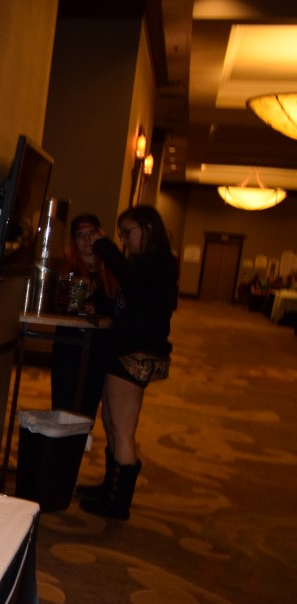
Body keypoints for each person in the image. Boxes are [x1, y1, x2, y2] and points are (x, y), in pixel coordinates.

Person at [78, 205, 179, 520]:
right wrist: (98, 302)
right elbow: (130, 303)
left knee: (122, 429)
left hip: (138, 352)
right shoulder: (145, 263)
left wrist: (104, 246)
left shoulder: (160, 261)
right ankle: (110, 488)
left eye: (127, 233)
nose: (123, 240)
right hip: (127, 348)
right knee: (110, 420)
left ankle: (117, 504)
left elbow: (133, 283)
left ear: (147, 228)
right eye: (120, 235)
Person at [50, 213, 118, 424]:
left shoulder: (112, 266)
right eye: (81, 235)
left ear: (101, 235)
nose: (87, 239)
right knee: (63, 405)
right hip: (69, 343)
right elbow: (56, 303)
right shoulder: (66, 265)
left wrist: (97, 303)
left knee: (87, 408)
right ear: (73, 239)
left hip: (99, 347)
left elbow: (119, 304)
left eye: (91, 233)